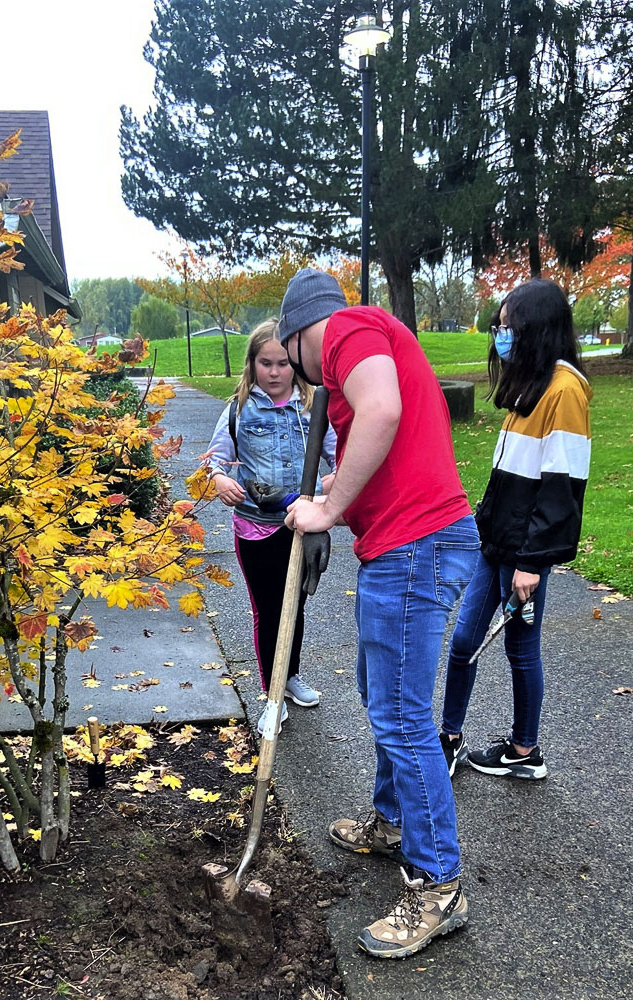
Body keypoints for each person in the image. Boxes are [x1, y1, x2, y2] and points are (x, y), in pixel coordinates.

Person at [280, 268, 479, 960]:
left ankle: (438, 884)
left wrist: (329, 510)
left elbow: (384, 411)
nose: (305, 380)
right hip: (409, 543)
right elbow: (388, 441)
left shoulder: (343, 330)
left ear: (298, 335)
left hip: (416, 545)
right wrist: (329, 489)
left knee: (401, 715)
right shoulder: (359, 341)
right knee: (381, 694)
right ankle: (395, 821)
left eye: (293, 362)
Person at [439, 278, 592, 780]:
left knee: (520, 649)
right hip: (495, 543)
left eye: (509, 327)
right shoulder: (534, 382)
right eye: (498, 326)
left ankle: (526, 751)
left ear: (537, 329)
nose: (500, 336)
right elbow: (511, 477)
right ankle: (450, 737)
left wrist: (532, 562)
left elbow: (561, 488)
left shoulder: (566, 390)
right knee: (464, 640)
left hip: (524, 553)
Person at [205, 318, 336, 735]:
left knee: (295, 608)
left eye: (283, 363)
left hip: (302, 528)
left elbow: (340, 455)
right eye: (266, 363)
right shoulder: (239, 411)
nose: (275, 372)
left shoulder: (313, 409)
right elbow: (214, 461)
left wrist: (333, 492)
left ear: (296, 365)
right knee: (269, 610)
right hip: (256, 529)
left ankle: (289, 676)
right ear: (252, 364)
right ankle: (272, 695)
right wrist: (220, 479)